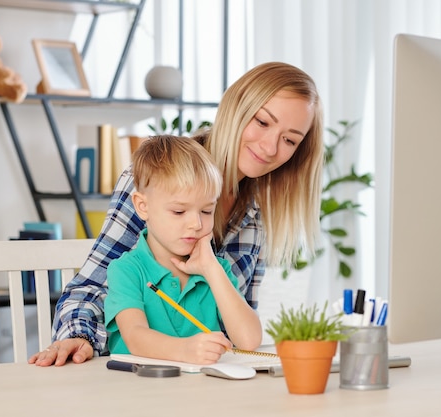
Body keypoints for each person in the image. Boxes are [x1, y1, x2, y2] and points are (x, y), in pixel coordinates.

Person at [29, 61, 324, 366]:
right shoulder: (158, 177)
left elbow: (241, 327)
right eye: (262, 122)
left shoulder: (258, 211)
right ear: (236, 108)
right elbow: (92, 286)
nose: (270, 147)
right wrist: (81, 336)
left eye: (289, 140)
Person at [105, 135, 261, 363]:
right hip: (139, 391)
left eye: (207, 211)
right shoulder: (126, 270)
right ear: (143, 206)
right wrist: (185, 350)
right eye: (179, 212)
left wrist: (212, 270)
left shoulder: (216, 270)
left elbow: (249, 341)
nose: (196, 224)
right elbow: (135, 337)